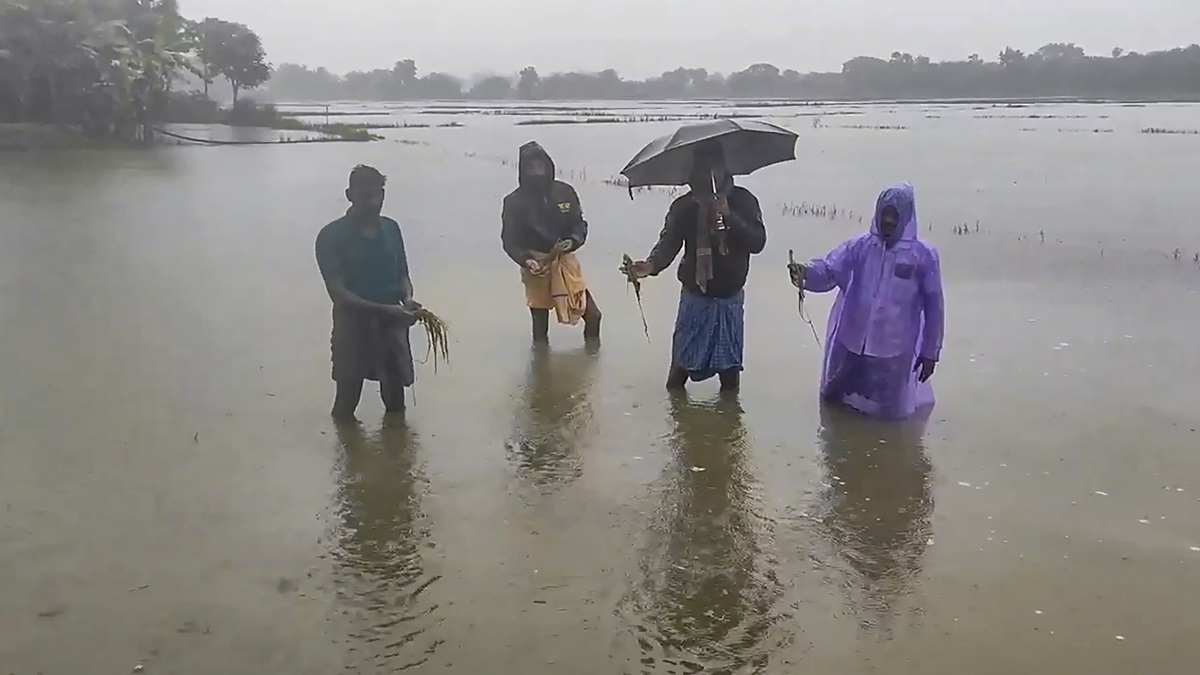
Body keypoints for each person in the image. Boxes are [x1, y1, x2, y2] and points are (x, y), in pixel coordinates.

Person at [789, 182, 944, 420]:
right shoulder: (859, 247)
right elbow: (830, 270)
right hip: (851, 343)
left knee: (889, 417)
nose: (889, 221)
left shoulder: (923, 257)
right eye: (885, 214)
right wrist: (806, 274)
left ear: (906, 216)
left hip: (894, 351)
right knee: (835, 404)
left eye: (895, 215)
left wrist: (930, 352)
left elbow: (934, 306)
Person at [625, 143, 767, 393]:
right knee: (679, 371)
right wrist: (651, 265)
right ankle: (678, 423)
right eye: (702, 168)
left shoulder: (743, 200)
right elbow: (668, 242)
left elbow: (758, 242)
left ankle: (728, 427)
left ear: (724, 169)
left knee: (730, 375)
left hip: (729, 298)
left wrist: (729, 216)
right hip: (695, 296)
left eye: (714, 167)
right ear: (692, 172)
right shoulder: (684, 207)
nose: (708, 174)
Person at [315, 165, 420, 418]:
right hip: (353, 326)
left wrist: (407, 299)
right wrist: (386, 310)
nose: (373, 203)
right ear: (349, 195)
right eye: (366, 197)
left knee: (396, 402)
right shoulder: (331, 236)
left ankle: (396, 454)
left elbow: (403, 275)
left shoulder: (392, 228)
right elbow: (338, 293)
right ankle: (347, 453)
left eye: (378, 195)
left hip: (393, 324)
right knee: (347, 400)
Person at [501, 141, 601, 344]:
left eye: (541, 163)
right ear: (523, 168)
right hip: (537, 265)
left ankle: (591, 358)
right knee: (540, 328)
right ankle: (541, 367)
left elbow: (579, 224)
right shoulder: (514, 201)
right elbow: (509, 241)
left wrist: (573, 241)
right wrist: (526, 260)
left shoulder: (565, 192)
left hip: (565, 259)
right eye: (532, 165)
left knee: (593, 316)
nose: (537, 169)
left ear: (549, 164)